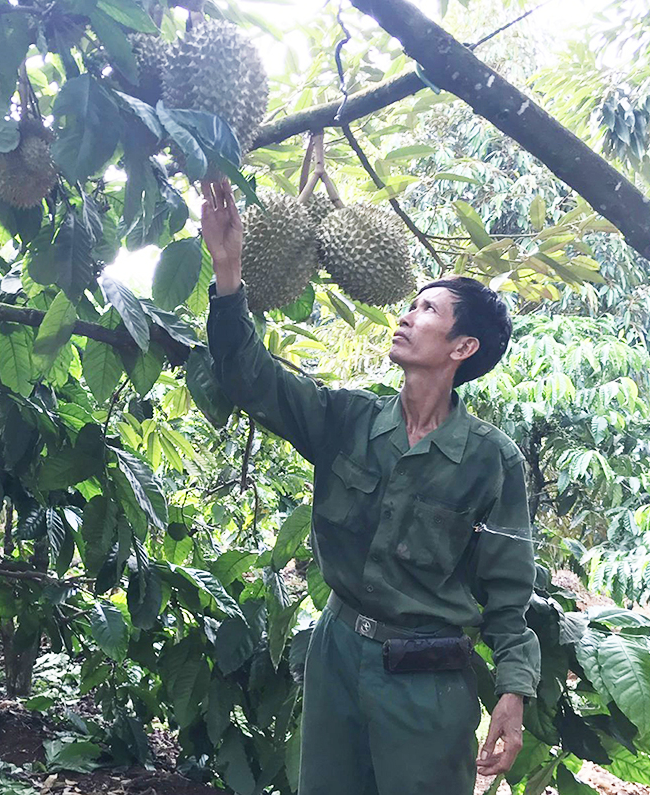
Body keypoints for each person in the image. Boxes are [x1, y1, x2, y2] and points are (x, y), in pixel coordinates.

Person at [199, 178, 540, 794]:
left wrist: (512, 694)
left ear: (463, 346)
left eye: (428, 310)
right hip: (337, 651)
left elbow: (509, 591)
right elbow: (252, 378)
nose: (407, 315)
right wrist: (228, 274)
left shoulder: (491, 462)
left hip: (427, 677)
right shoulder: (346, 420)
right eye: (410, 304)